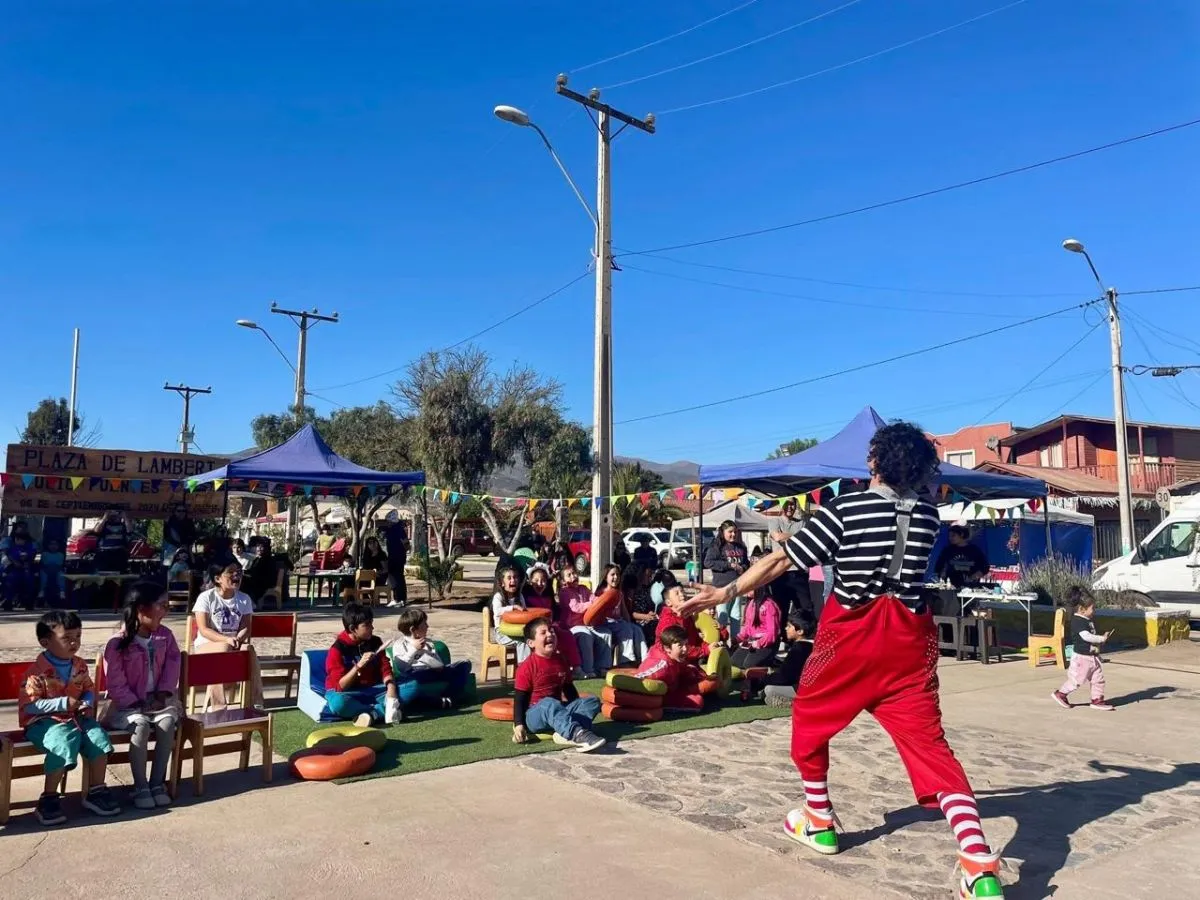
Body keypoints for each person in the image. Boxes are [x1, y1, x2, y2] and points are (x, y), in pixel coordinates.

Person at [682, 422, 1005, 899]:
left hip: (851, 638)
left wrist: (724, 592)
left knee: (809, 721)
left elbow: (782, 561)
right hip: (908, 645)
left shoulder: (845, 509)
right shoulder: (928, 516)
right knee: (932, 748)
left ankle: (819, 819)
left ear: (874, 460)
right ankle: (979, 866)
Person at [21, 610, 120, 825]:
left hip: (76, 717)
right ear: (45, 642)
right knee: (63, 742)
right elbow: (30, 705)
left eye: (78, 637)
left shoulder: (79, 665)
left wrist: (86, 702)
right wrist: (63, 703)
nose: (74, 643)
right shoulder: (35, 672)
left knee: (99, 739)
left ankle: (96, 790)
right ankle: (48, 798)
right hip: (43, 722)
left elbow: (88, 688)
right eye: (67, 638)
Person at [102, 582, 181, 809]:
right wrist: (135, 703)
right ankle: (141, 786)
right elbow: (115, 682)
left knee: (167, 724)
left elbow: (173, 666)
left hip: (158, 702)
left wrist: (162, 694)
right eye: (161, 605)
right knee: (141, 726)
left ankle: (157, 783)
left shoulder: (165, 637)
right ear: (141, 609)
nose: (166, 610)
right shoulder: (117, 643)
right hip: (126, 706)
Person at [511, 620, 605, 752]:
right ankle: (579, 735)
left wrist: (577, 707)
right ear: (531, 643)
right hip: (535, 715)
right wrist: (519, 725)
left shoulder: (561, 660)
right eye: (543, 633)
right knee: (549, 703)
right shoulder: (526, 667)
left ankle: (565, 732)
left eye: (551, 630)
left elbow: (569, 689)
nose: (550, 634)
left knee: (592, 701)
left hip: (557, 709)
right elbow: (520, 699)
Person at [192, 562, 261, 709]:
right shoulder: (206, 598)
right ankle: (218, 706)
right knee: (223, 647)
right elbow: (204, 629)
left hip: (233, 644)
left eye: (238, 572)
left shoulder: (244, 599)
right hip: (206, 646)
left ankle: (255, 702)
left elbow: (246, 627)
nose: (236, 575)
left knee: (249, 649)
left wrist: (238, 639)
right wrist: (227, 640)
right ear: (218, 578)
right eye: (231, 572)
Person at [325, 603, 400, 725]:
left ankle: (369, 713)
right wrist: (358, 666)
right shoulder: (337, 650)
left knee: (411, 687)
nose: (372, 628)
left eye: (371, 622)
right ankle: (378, 712)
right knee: (338, 703)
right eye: (367, 625)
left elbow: (385, 668)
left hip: (373, 690)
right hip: (349, 693)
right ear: (352, 629)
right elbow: (340, 687)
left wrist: (391, 689)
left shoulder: (375, 641)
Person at [390, 607, 473, 709]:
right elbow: (402, 667)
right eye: (424, 624)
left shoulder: (428, 642)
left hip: (432, 672)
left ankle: (446, 698)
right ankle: (444, 701)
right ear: (413, 629)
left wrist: (438, 664)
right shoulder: (399, 644)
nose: (427, 626)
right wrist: (414, 649)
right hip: (414, 675)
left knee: (465, 664)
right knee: (407, 682)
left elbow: (437, 661)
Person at [1052, 587, 1114, 712]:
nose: (1094, 610)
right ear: (1082, 609)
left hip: (1092, 657)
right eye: (1092, 608)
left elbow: (1090, 639)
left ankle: (1097, 700)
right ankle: (1061, 694)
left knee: (1098, 679)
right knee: (1077, 680)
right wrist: (1101, 638)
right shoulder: (1078, 621)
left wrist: (1098, 648)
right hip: (1082, 658)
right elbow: (1086, 636)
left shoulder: (1087, 620)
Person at [556, 564, 612, 679]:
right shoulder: (564, 592)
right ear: (563, 581)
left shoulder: (584, 589)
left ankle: (602, 667)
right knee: (586, 635)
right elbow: (575, 607)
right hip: (572, 626)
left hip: (588, 624)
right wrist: (592, 604)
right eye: (569, 575)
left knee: (606, 633)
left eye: (574, 573)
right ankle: (588, 669)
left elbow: (595, 599)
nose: (573, 576)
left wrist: (601, 601)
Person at [523, 563, 582, 671]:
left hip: (550, 625)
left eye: (543, 580)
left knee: (567, 634)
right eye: (536, 580)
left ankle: (575, 667)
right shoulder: (526, 596)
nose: (540, 583)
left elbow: (554, 612)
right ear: (530, 581)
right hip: (535, 628)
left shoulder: (548, 595)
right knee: (561, 636)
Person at [636, 625, 706, 712]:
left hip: (670, 688)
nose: (685, 649)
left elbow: (682, 667)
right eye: (680, 645)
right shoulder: (661, 666)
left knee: (697, 676)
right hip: (659, 696)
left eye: (686, 644)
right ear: (667, 648)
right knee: (697, 701)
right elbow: (638, 679)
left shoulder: (673, 657)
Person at [704, 520, 749, 641]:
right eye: (730, 532)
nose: (733, 534)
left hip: (738, 586)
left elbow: (746, 564)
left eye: (735, 532)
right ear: (723, 532)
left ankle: (735, 641)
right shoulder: (716, 546)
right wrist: (729, 565)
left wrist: (742, 568)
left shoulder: (741, 547)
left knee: (736, 615)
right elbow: (708, 562)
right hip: (722, 587)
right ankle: (721, 640)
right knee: (722, 615)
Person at [761, 608, 817, 708]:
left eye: (789, 626)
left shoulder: (799, 649)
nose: (786, 628)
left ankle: (795, 702)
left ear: (800, 631)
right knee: (768, 691)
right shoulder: (815, 645)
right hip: (816, 687)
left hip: (804, 690)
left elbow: (784, 677)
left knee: (768, 689)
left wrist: (762, 680)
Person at [770, 499, 811, 623]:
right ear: (781, 505)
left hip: (798, 571)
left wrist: (786, 535)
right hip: (780, 573)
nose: (790, 507)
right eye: (787, 503)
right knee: (781, 609)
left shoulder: (801, 522)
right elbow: (777, 537)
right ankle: (782, 638)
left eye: (792, 504)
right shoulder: (774, 521)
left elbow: (805, 540)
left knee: (805, 608)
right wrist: (798, 535)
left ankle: (802, 638)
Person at [598, 564, 647, 665]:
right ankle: (625, 660)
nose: (616, 577)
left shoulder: (619, 593)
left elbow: (624, 611)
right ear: (605, 577)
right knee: (625, 629)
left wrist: (629, 623)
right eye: (612, 574)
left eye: (617, 575)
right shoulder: (601, 593)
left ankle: (644, 659)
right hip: (606, 622)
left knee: (637, 629)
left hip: (618, 622)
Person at [655, 574, 708, 664]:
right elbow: (679, 649)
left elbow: (696, 640)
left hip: (689, 658)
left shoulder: (686, 616)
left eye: (682, 591)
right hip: (670, 663)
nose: (682, 595)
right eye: (677, 593)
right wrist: (705, 650)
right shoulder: (668, 621)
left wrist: (710, 646)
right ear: (668, 602)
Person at [730, 585, 781, 671]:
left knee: (749, 665)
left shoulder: (769, 605)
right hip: (752, 641)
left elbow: (772, 632)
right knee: (734, 662)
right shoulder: (751, 603)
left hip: (767, 643)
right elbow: (747, 627)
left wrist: (759, 643)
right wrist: (738, 638)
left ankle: (770, 662)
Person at [491, 565, 530, 663]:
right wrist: (513, 607)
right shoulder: (498, 597)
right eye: (509, 578)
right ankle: (523, 668)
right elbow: (497, 611)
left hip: (518, 630)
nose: (513, 580)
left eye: (515, 577)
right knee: (522, 641)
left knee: (533, 638)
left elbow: (524, 612)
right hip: (502, 633)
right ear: (502, 583)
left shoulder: (519, 596)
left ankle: (534, 666)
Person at [2, 521, 39, 611]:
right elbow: (6, 552)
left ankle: (28, 602)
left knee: (30, 581)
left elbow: (33, 553)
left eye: (24, 527)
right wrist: (15, 562)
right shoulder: (8, 540)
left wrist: (27, 562)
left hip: (26, 567)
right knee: (10, 581)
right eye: (20, 527)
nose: (22, 529)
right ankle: (8, 601)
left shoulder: (31, 542)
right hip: (10, 567)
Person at [381, 513, 410, 607]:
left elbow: (406, 544)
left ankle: (400, 599)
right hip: (392, 556)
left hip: (398, 557)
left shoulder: (399, 530)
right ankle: (397, 597)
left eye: (388, 521)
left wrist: (401, 551)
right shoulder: (391, 530)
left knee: (398, 578)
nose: (387, 523)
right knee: (393, 577)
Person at [629, 564, 660, 647]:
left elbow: (647, 606)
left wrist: (650, 613)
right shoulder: (632, 590)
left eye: (651, 576)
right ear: (641, 575)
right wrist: (645, 616)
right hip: (636, 620)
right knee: (652, 626)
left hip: (646, 618)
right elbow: (630, 613)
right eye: (648, 576)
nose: (650, 579)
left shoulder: (647, 589)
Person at [92, 509, 131, 573]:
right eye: (112, 513)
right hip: (104, 553)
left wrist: (124, 517)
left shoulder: (123, 525)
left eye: (116, 513)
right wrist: (105, 517)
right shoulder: (103, 524)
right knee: (102, 572)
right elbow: (97, 531)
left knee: (119, 573)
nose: (114, 515)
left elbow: (130, 530)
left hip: (119, 554)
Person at [39, 539, 67, 608]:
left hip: (57, 571)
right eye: (51, 544)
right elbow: (44, 564)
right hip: (46, 571)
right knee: (43, 574)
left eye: (55, 544)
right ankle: (41, 592)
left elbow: (59, 565)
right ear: (48, 546)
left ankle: (62, 592)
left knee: (61, 574)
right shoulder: (44, 554)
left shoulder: (60, 554)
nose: (53, 546)